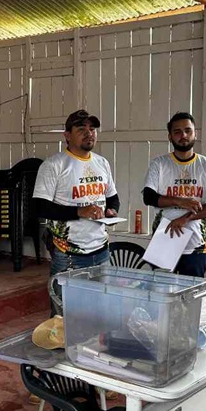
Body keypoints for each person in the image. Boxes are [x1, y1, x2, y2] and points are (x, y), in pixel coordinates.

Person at [32, 109, 120, 315]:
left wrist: (112, 210)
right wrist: (80, 211)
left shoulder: (101, 163)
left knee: (100, 312)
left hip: (101, 250)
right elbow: (40, 207)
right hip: (69, 255)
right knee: (65, 316)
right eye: (81, 129)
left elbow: (113, 197)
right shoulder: (54, 165)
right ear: (67, 135)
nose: (89, 133)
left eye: (92, 129)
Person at [142, 112, 206, 277]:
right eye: (177, 132)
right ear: (170, 136)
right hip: (164, 241)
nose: (183, 135)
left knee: (192, 292)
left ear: (196, 134)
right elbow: (149, 197)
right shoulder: (159, 164)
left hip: (195, 246)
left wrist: (185, 219)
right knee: (161, 290)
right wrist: (181, 201)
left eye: (188, 131)